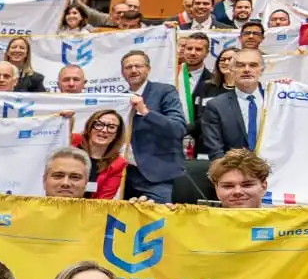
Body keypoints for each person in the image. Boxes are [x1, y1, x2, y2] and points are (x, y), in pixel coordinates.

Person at [120, 49, 189, 202]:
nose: (133, 70)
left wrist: (145, 112)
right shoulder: (119, 100)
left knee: (160, 216)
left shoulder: (165, 91)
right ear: (122, 72)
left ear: (148, 69)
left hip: (158, 177)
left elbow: (178, 129)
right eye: (128, 67)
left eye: (138, 66)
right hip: (125, 176)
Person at [197, 47, 266, 157]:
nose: (246, 69)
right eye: (240, 65)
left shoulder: (275, 101)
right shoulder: (216, 105)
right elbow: (215, 150)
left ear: (262, 70)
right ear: (232, 70)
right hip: (232, 166)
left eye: (253, 65)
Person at [77, 112, 129, 200]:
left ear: (117, 134)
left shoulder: (118, 163)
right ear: (90, 127)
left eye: (111, 127)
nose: (104, 130)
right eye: (99, 124)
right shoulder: (72, 141)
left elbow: (103, 200)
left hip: (88, 207)